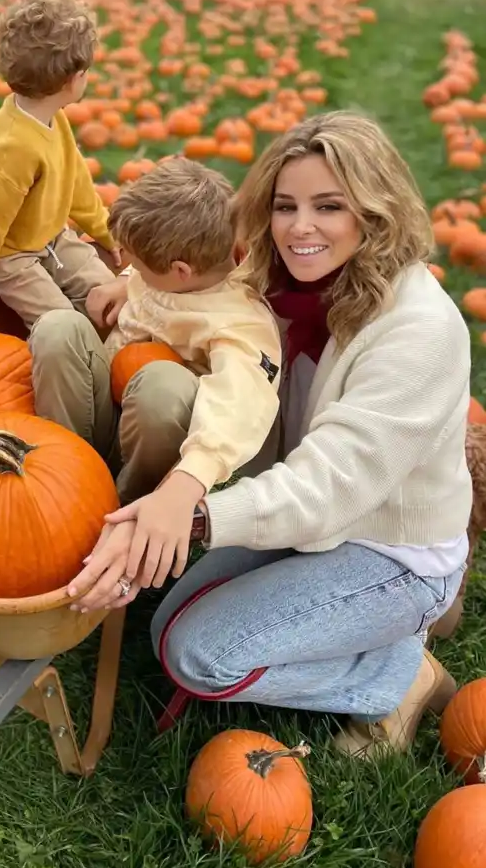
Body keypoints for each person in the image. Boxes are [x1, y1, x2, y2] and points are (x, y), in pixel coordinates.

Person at [66, 110, 472, 759]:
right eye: (285, 205)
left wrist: (189, 512)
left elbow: (326, 488)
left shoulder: (417, 332)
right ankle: (382, 630)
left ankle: (395, 675)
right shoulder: (283, 275)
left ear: (374, 210)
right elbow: (189, 278)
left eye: (327, 205)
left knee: (196, 654)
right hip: (312, 521)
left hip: (386, 547)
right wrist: (128, 279)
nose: (298, 226)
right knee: (169, 621)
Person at [90, 158, 281, 539]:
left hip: (150, 440)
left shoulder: (239, 322)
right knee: (59, 329)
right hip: (103, 404)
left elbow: (238, 401)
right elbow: (146, 271)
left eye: (138, 267)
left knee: (162, 385)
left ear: (180, 273)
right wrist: (126, 282)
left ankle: (123, 510)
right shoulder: (179, 267)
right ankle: (61, 458)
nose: (132, 270)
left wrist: (193, 473)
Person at [0, 0, 121, 327]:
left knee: (107, 288)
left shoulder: (52, 118)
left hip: (49, 237)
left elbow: (75, 182)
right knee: (62, 325)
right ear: (72, 80)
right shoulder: (11, 150)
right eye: (87, 72)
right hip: (8, 256)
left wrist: (105, 231)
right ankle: (70, 352)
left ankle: (101, 339)